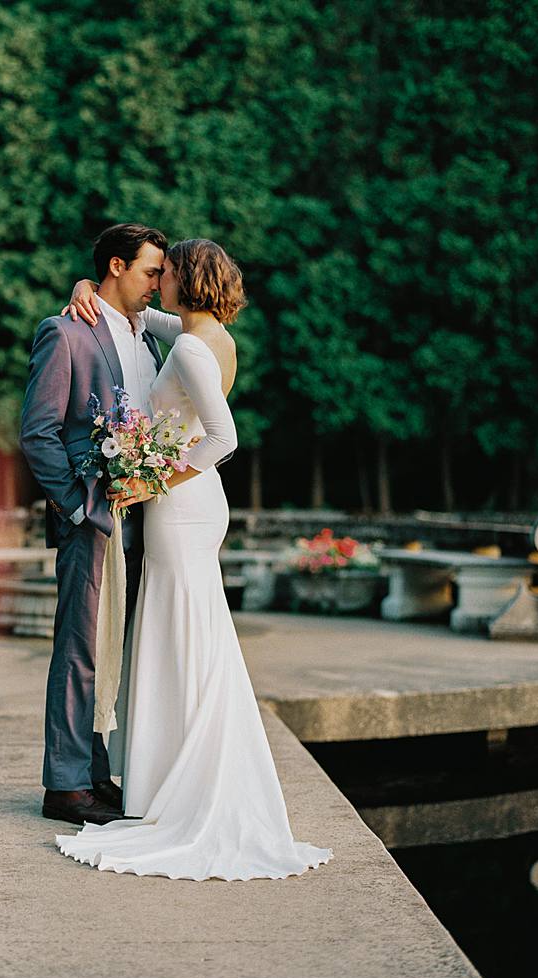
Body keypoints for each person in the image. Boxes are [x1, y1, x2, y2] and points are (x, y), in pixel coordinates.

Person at [56, 239, 333, 880]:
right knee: (189, 634)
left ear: (190, 279)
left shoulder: (184, 345)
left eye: (168, 273)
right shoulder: (207, 334)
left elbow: (223, 436)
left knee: (179, 634)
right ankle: (166, 779)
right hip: (192, 504)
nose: (159, 283)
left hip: (181, 507)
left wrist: (150, 484)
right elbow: (124, 305)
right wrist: (82, 284)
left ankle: (172, 789)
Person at [19, 223, 180, 827]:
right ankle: (63, 785)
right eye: (149, 272)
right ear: (117, 265)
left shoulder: (149, 337)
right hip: (92, 515)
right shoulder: (65, 333)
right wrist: (76, 506)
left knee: (112, 646)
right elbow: (39, 432)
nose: (157, 285)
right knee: (80, 647)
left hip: (142, 519)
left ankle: (93, 773)